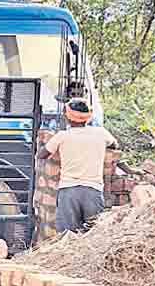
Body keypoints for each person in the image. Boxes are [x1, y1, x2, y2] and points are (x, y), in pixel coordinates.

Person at [39, 97, 118, 234]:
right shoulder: (101, 133)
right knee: (93, 234)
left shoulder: (62, 136)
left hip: (68, 192)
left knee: (67, 236)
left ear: (67, 117)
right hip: (93, 191)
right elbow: (114, 145)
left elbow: (42, 155)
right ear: (88, 117)